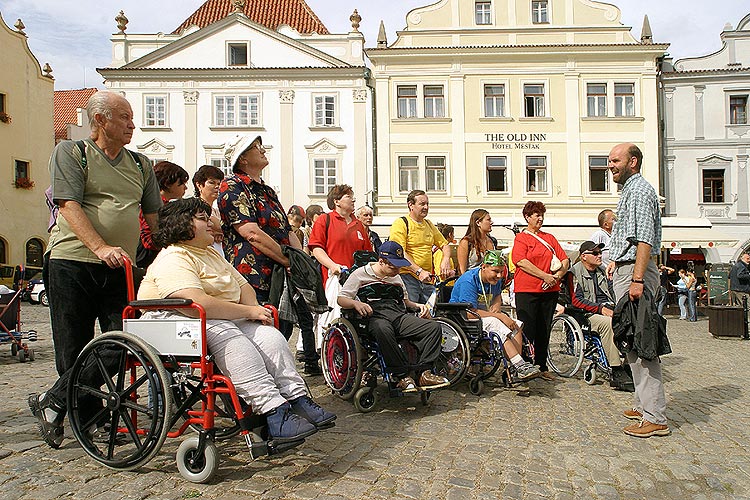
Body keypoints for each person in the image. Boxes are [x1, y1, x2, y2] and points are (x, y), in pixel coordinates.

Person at [137, 198, 335, 442]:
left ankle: (297, 399)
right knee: (232, 339)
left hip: (213, 317)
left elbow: (243, 287)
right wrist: (249, 312)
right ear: (182, 224)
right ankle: (274, 411)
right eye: (203, 218)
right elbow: (194, 303)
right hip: (175, 318)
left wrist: (253, 311)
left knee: (269, 336)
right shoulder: (174, 257)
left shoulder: (210, 253)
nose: (211, 222)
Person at [28, 91, 162, 448]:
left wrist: (177, 248)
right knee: (72, 349)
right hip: (72, 261)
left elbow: (154, 217)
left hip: (123, 267)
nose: (133, 124)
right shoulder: (72, 153)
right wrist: (100, 246)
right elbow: (69, 204)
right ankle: (87, 418)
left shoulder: (141, 164)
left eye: (132, 117)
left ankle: (53, 402)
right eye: (124, 117)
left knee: (125, 343)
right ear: (100, 120)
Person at [217, 136, 320, 374]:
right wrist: (288, 260)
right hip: (252, 275)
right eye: (255, 147)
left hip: (279, 273)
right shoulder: (231, 186)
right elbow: (251, 233)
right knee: (259, 332)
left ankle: (276, 385)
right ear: (242, 158)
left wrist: (298, 260)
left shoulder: (267, 190)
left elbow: (286, 231)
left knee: (282, 329)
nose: (262, 150)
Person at [605, 142, 669, 438]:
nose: (610, 165)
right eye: (609, 160)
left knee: (642, 344)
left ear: (632, 161)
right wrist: (616, 262)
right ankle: (644, 405)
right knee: (632, 340)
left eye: (615, 160)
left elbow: (644, 240)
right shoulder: (630, 190)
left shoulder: (640, 191)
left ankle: (655, 417)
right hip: (628, 268)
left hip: (636, 272)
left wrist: (637, 279)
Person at [337, 241, 450, 391]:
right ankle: (401, 375)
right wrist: (355, 304)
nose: (397, 270)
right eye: (393, 266)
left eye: (399, 266)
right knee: (383, 329)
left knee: (433, 327)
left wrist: (418, 306)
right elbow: (341, 299)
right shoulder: (360, 274)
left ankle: (425, 372)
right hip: (372, 316)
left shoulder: (396, 277)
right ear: (381, 261)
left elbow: (406, 301)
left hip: (396, 313)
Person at [450, 250, 540, 380]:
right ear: (484, 267)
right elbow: (469, 313)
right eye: (495, 271)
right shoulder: (468, 281)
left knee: (516, 325)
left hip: (484, 317)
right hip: (463, 318)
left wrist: (497, 303)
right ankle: (520, 365)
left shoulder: (495, 281)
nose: (499, 276)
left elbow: (497, 295)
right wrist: (501, 316)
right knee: (497, 322)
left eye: (501, 272)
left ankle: (515, 367)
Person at [308, 185, 372, 360]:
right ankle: (328, 356)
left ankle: (351, 355)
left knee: (353, 318)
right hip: (334, 278)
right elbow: (316, 249)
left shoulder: (359, 225)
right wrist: (333, 266)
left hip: (356, 280)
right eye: (348, 196)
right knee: (331, 317)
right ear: (336, 201)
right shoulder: (325, 220)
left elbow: (367, 254)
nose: (353, 200)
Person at [512, 201, 570, 381]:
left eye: (541, 214)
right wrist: (544, 275)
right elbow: (520, 261)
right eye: (536, 215)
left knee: (544, 329)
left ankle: (542, 365)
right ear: (527, 217)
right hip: (527, 290)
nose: (540, 218)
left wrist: (557, 276)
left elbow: (565, 259)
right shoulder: (522, 238)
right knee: (527, 328)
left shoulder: (549, 238)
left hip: (550, 290)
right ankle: (524, 365)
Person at [569, 241, 631, 390]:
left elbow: (613, 293)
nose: (599, 255)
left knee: (630, 320)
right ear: (584, 256)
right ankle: (616, 369)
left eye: (600, 252)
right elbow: (576, 300)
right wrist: (600, 309)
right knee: (608, 324)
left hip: (607, 308)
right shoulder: (574, 272)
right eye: (595, 253)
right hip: (587, 314)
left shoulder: (602, 271)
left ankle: (628, 364)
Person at [388, 190, 452, 303]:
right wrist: (418, 271)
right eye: (422, 204)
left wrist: (445, 260)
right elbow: (399, 252)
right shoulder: (401, 223)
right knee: (412, 312)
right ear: (411, 205)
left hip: (426, 278)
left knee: (431, 311)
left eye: (427, 204)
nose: (426, 207)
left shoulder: (428, 224)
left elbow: (445, 244)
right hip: (407, 276)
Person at [137, 161, 189, 268]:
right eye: (182, 183)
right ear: (168, 183)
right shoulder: (153, 205)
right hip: (148, 259)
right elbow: (149, 240)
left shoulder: (166, 205)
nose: (185, 188)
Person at [192, 164, 225, 255]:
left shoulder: (217, 211)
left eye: (218, 183)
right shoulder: (195, 208)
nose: (217, 186)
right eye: (212, 182)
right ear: (199, 185)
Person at [457, 209, 496, 275]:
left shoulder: (492, 241)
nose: (492, 222)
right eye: (488, 220)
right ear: (478, 223)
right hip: (471, 281)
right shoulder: (466, 242)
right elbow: (462, 270)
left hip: (488, 282)